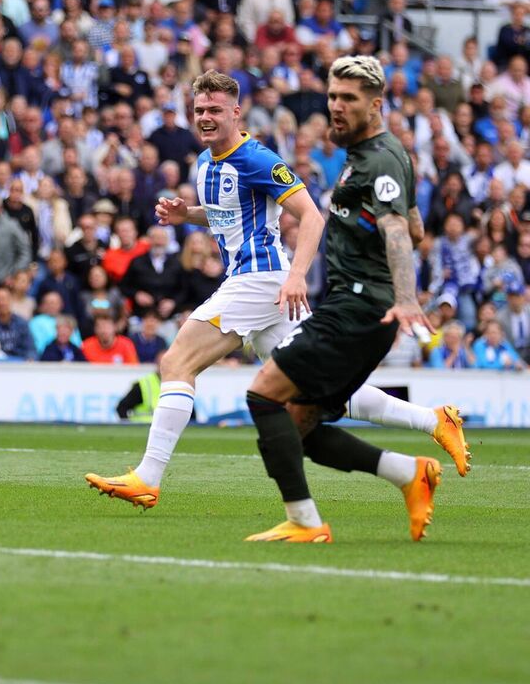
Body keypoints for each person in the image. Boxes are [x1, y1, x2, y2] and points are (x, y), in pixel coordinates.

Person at [86, 69, 471, 514]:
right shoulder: (204, 163)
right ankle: (434, 420)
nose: (206, 117)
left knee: (176, 361)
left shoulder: (257, 158)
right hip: (259, 288)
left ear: (236, 112)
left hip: (262, 280)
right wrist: (185, 215)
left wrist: (297, 276)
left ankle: (147, 477)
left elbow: (311, 216)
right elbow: (226, 215)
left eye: (215, 110)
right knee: (315, 389)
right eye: (199, 110)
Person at [242, 57, 464, 544]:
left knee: (263, 393)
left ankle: (305, 522)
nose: (336, 108)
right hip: (358, 307)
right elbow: (415, 225)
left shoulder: (380, 158)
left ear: (376, 104)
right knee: (299, 424)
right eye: (332, 97)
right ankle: (410, 474)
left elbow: (398, 232)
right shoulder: (377, 154)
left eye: (349, 99)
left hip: (360, 308)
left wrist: (406, 297)